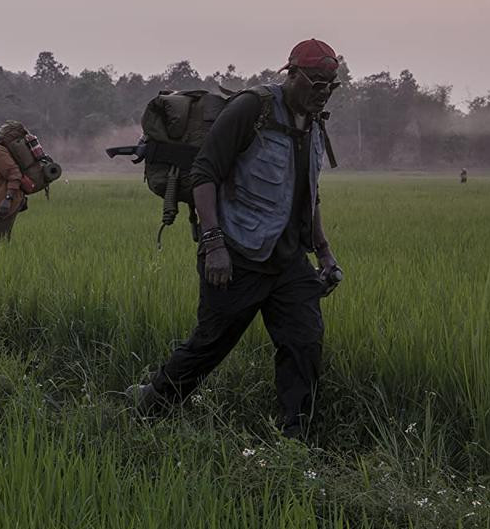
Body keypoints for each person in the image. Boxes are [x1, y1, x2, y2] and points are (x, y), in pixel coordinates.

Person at [129, 39, 344, 439]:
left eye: (331, 84)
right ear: (291, 73)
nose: (323, 91)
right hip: (237, 255)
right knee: (209, 346)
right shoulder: (253, 108)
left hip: (289, 261)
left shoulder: (315, 122)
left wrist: (325, 252)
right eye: (315, 82)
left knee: (305, 347)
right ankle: (147, 412)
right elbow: (204, 173)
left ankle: (296, 442)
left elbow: (308, 192)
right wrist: (213, 245)